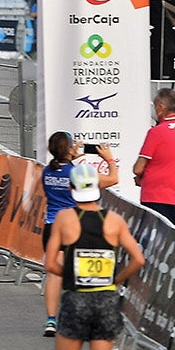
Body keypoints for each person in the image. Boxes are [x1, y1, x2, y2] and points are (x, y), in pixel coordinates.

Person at [45, 163, 144, 350]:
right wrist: (117, 279)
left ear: (71, 188)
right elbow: (138, 259)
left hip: (76, 299)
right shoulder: (114, 221)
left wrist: (70, 275)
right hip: (106, 300)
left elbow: (50, 262)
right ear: (98, 188)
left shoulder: (65, 218)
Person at [41, 132, 119, 337]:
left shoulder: (47, 171)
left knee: (53, 275)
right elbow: (113, 179)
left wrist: (70, 157)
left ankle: (51, 320)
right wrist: (109, 159)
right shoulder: (79, 174)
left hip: (51, 225)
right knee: (82, 272)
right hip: (73, 226)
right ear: (68, 149)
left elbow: (62, 169)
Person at [132, 88, 175, 227]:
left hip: (156, 198)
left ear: (161, 107)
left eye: (155, 106)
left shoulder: (157, 132)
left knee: (152, 245)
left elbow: (138, 169)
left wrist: (142, 178)